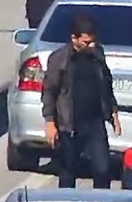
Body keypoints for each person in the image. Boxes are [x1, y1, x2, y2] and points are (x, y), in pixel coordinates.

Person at [40, 12, 121, 189]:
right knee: (68, 171)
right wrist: (50, 122)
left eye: (93, 41)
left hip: (95, 122)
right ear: (74, 39)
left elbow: (106, 84)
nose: (91, 45)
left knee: (102, 168)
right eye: (86, 42)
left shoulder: (97, 54)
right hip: (70, 125)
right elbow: (49, 91)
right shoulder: (60, 59)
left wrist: (113, 112)